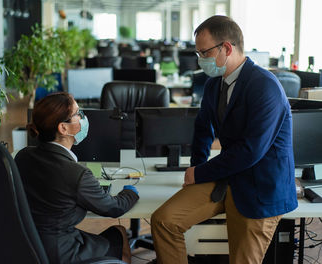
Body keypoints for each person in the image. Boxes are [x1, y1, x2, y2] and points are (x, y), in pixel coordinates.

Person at [151, 15, 298, 264]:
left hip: (259, 186)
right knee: (164, 221)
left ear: (226, 48)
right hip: (227, 176)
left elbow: (251, 151)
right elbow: (202, 128)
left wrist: (201, 173)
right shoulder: (213, 85)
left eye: (204, 53)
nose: (200, 60)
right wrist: (196, 170)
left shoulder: (265, 86)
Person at [15, 92, 139, 264]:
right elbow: (113, 208)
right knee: (120, 236)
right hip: (62, 253)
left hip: (29, 246)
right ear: (63, 128)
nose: (83, 118)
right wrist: (130, 192)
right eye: (78, 114)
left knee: (117, 231)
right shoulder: (76, 174)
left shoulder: (23, 156)